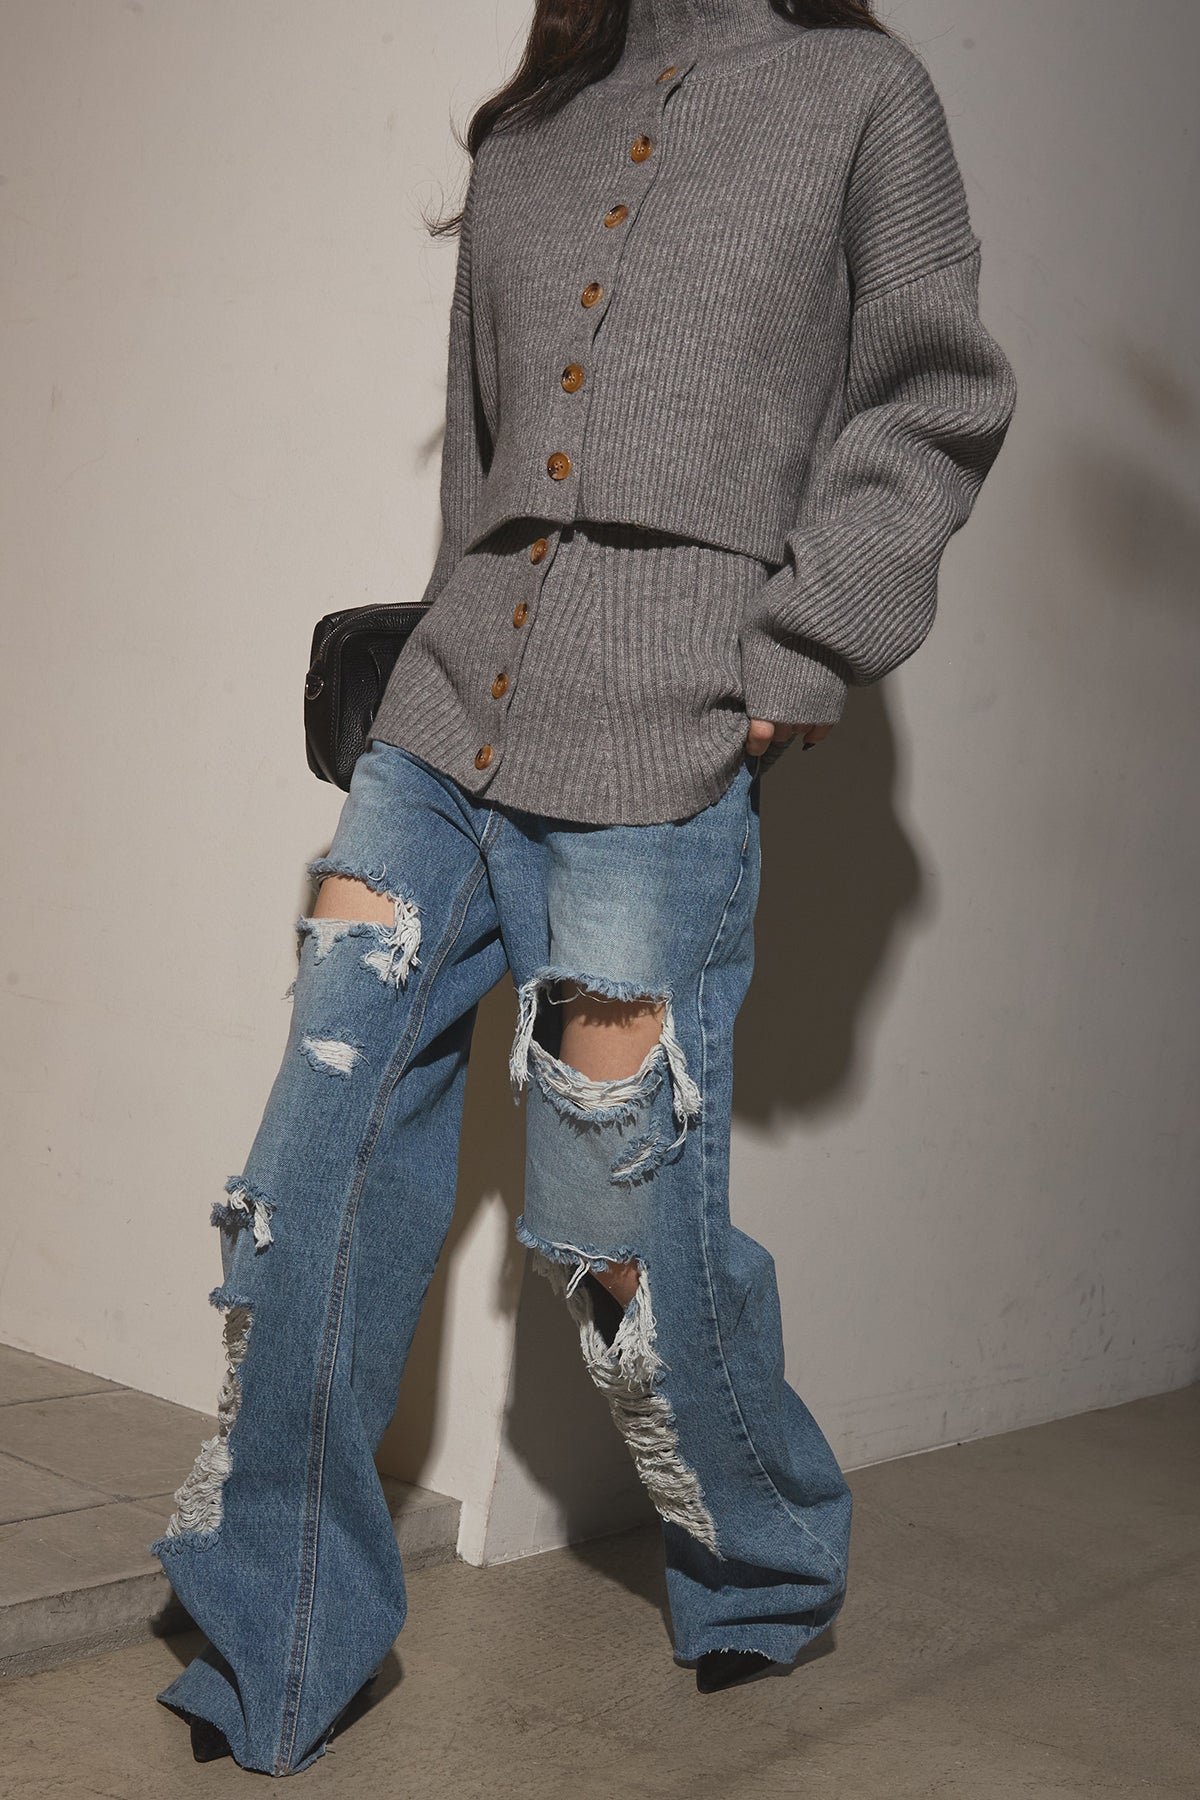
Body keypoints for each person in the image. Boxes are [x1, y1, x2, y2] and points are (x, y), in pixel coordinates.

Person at [149, 0, 1017, 1774]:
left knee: (617, 1238)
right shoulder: (528, 130)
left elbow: (934, 394)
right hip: (439, 726)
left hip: (664, 733)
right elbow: (478, 465)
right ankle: (277, 1633)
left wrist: (808, 641)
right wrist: (418, 672)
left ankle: (766, 1555)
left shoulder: (860, 94)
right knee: (304, 1186)